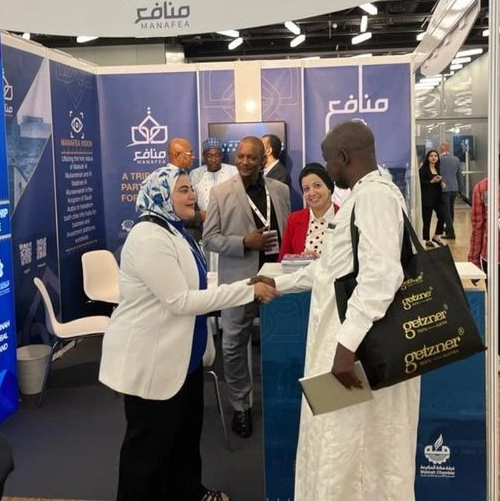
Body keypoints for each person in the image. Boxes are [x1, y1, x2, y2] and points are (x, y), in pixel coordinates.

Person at [251, 120, 420, 501]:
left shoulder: (374, 197)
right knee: (339, 449)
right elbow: (330, 269)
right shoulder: (364, 196)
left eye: (329, 160)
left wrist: (346, 347)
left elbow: (381, 277)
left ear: (343, 157)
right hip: (348, 351)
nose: (328, 169)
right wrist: (280, 283)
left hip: (358, 356)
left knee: (354, 454)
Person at [99, 166, 279, 501]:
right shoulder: (148, 236)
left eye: (191, 189)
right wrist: (246, 291)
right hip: (153, 364)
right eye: (182, 190)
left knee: (183, 442)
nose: (192, 195)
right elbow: (180, 301)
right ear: (160, 195)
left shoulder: (174, 231)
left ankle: (190, 492)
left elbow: (196, 289)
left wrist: (245, 285)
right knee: (147, 453)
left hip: (185, 361)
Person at [203, 136, 290, 438]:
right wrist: (243, 242)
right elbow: (209, 239)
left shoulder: (280, 190)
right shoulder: (220, 193)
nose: (244, 162)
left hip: (276, 279)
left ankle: (282, 399)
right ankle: (241, 406)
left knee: (282, 341)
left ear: (263, 160)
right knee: (233, 346)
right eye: (240, 156)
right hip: (238, 282)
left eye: (252, 157)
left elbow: (287, 231)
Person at [468, 160, 500, 351]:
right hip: (492, 258)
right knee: (496, 308)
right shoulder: (483, 188)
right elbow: (478, 225)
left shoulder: (484, 187)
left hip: (492, 257)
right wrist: (474, 260)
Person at [278, 162, 338, 260]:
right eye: (306, 189)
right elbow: (283, 260)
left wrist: (318, 259)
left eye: (317, 186)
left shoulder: (344, 216)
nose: (312, 193)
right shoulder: (294, 219)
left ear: (329, 188)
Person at [167, 137, 204, 242]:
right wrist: (199, 216)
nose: (193, 157)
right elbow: (169, 214)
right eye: (190, 154)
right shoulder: (167, 179)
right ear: (177, 155)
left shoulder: (184, 175)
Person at [190, 138, 237, 213]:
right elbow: (191, 200)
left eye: (217, 155)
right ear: (204, 156)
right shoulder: (195, 174)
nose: (214, 160)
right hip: (205, 218)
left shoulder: (234, 172)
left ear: (222, 155)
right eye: (209, 156)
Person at [419, 149, 445, 247]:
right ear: (428, 158)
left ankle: (437, 236)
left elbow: (438, 180)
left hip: (437, 198)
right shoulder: (423, 169)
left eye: (435, 156)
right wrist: (431, 181)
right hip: (427, 198)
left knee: (442, 215)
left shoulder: (438, 168)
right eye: (431, 156)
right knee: (427, 220)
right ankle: (427, 240)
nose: (434, 157)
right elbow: (420, 182)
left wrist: (441, 182)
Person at [438, 141, 463, 240]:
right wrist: (460, 188)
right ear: (448, 148)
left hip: (444, 189)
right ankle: (449, 229)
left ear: (441, 149)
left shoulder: (439, 160)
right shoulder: (456, 159)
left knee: (446, 212)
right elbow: (459, 175)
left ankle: (451, 233)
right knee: (451, 210)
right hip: (454, 188)